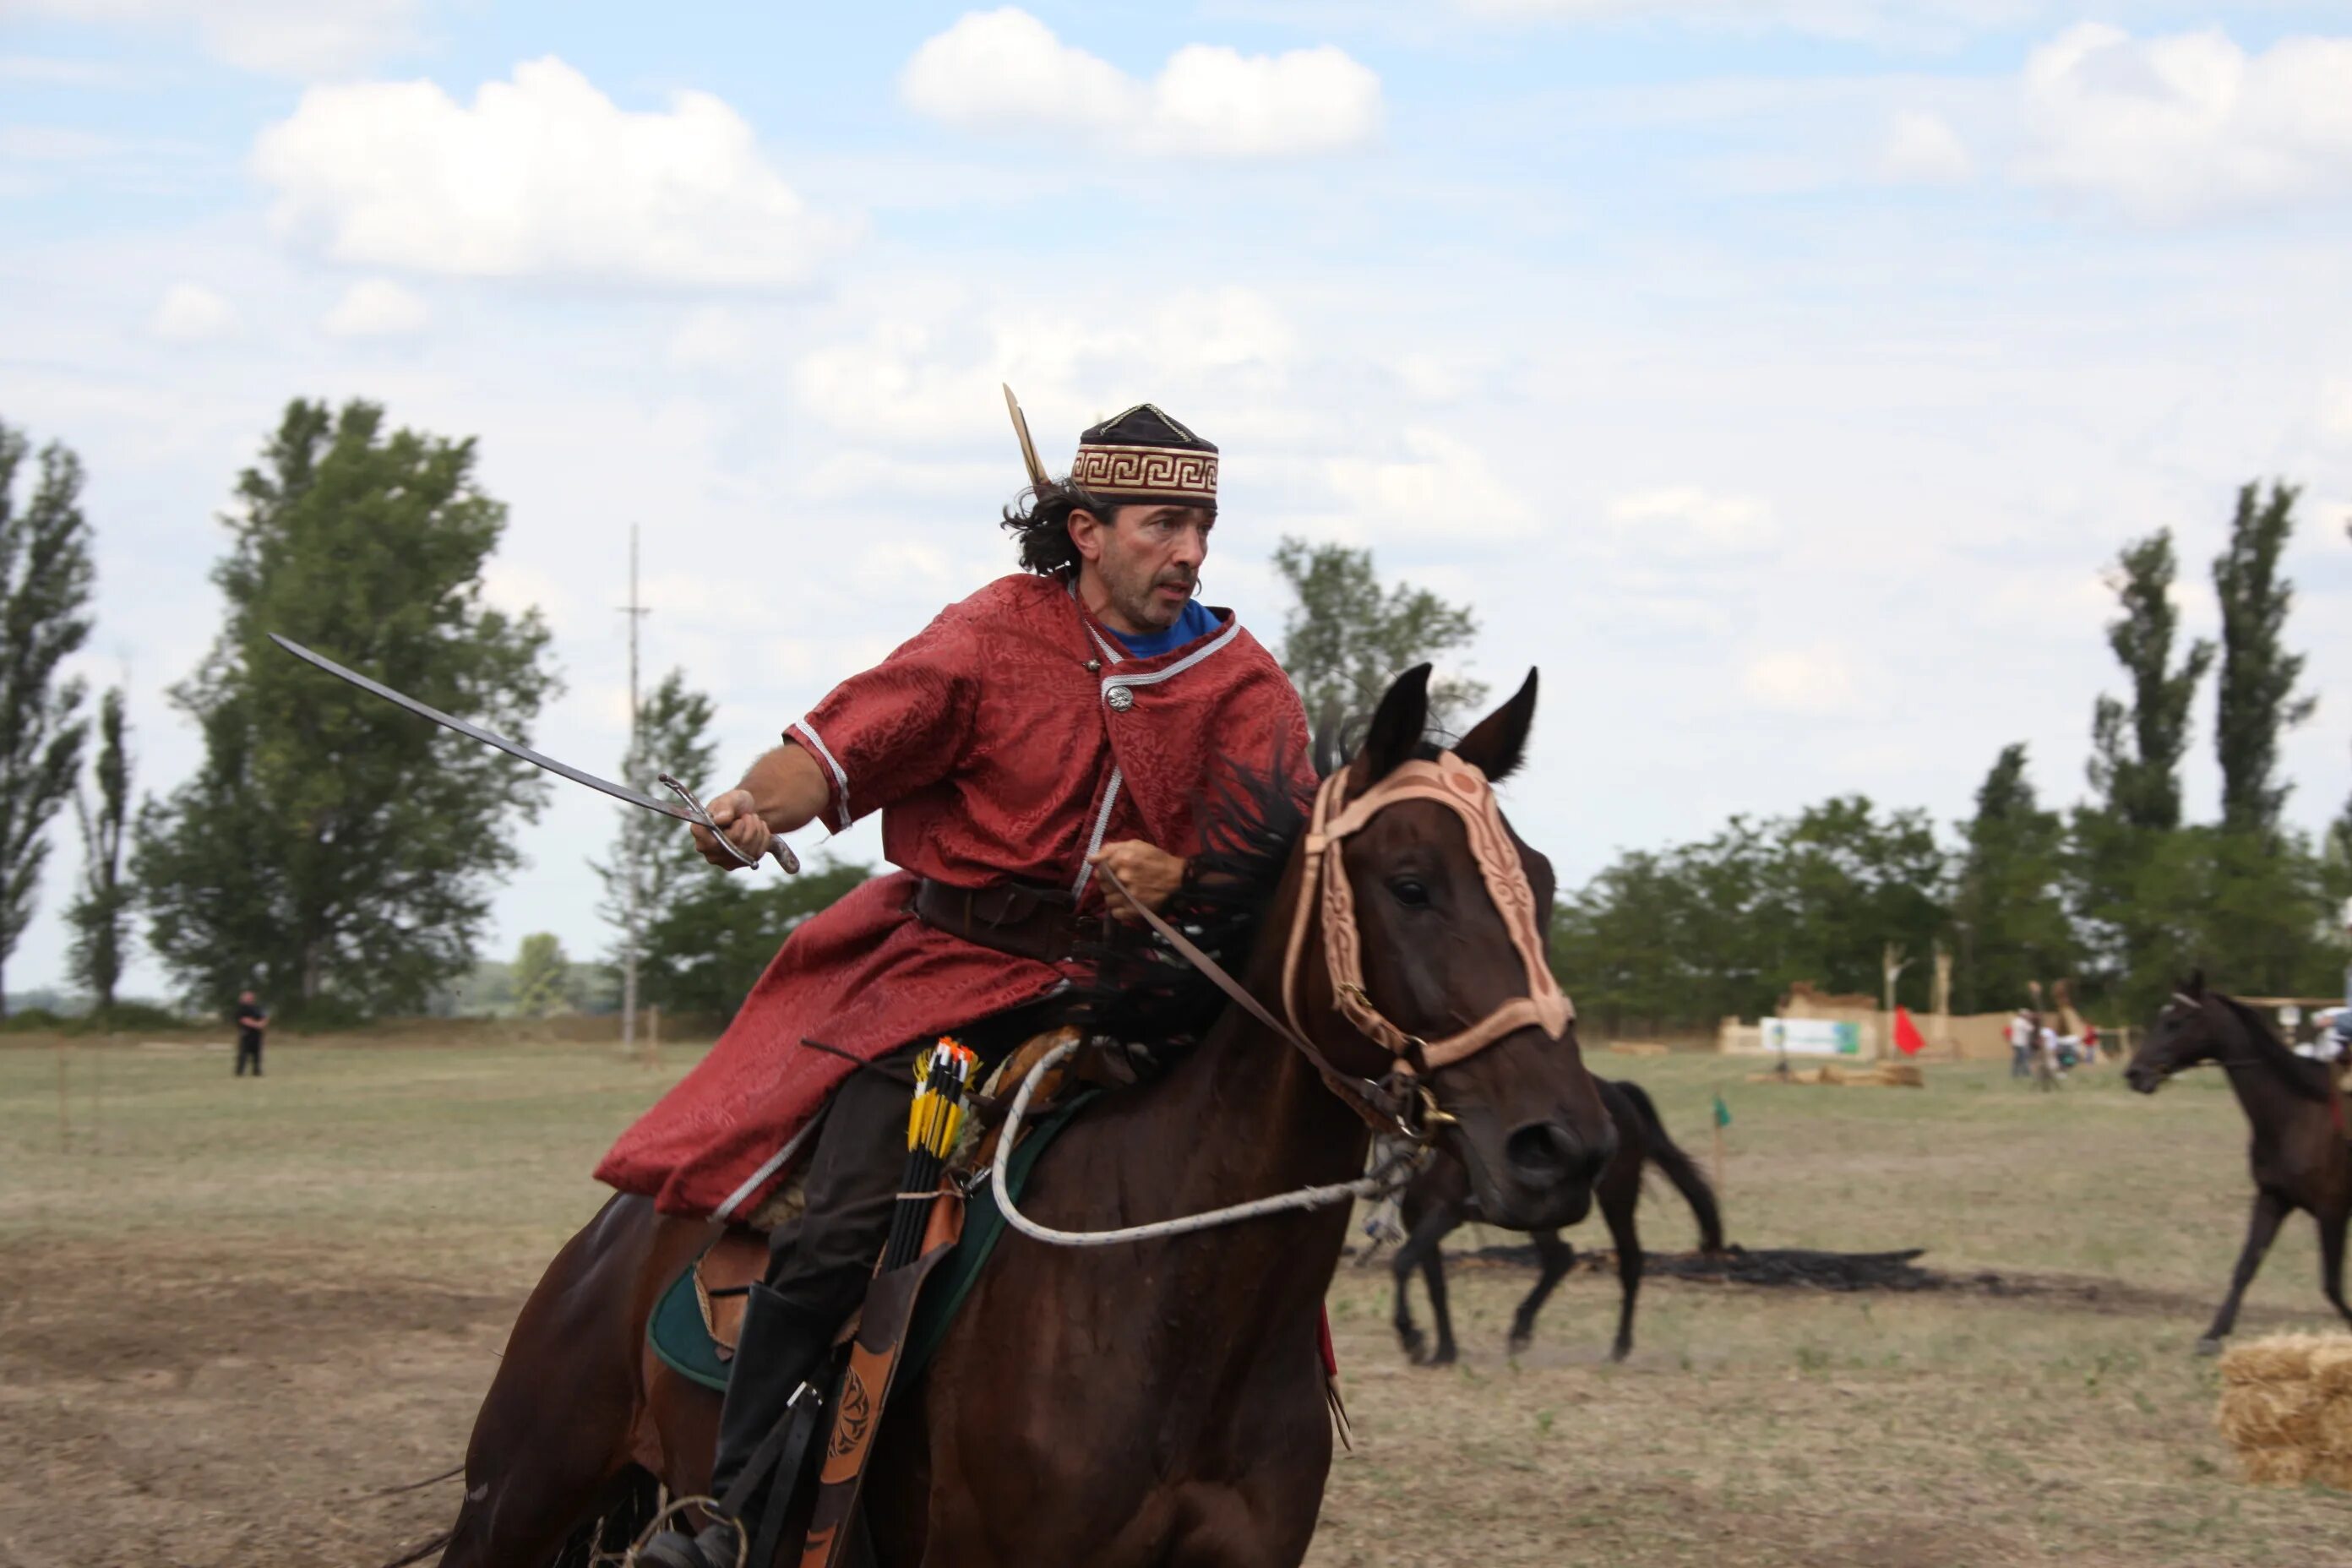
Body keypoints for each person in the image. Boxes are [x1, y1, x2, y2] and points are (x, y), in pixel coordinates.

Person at [613, 399, 1314, 1568]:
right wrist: (748, 807)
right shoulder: (990, 636)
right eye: (1162, 523)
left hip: (1148, 998)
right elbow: (839, 751)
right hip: (955, 983)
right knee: (842, 1227)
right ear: (1086, 530)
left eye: (1203, 524)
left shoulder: (1246, 687)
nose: (1189, 552)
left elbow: (1288, 872)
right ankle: (728, 1513)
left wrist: (1187, 874)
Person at [232, 990, 266, 1077]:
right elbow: (243, 1020)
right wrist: (256, 1024)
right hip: (246, 1033)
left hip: (257, 1034)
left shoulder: (257, 1008)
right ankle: (240, 1072)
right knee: (243, 1053)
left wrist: (262, 1023)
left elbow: (263, 1017)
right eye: (248, 997)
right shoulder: (241, 1008)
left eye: (251, 997)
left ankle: (257, 1071)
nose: (250, 999)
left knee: (257, 1053)